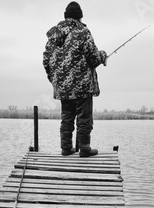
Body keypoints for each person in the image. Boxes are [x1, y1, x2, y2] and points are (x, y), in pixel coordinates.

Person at [43, 2, 107, 157]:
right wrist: (103, 55)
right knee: (84, 118)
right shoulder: (82, 31)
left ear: (66, 16)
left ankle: (66, 148)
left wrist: (55, 80)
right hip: (82, 85)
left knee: (66, 118)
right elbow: (92, 57)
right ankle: (84, 148)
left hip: (63, 87)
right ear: (80, 16)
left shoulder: (54, 36)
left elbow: (46, 61)